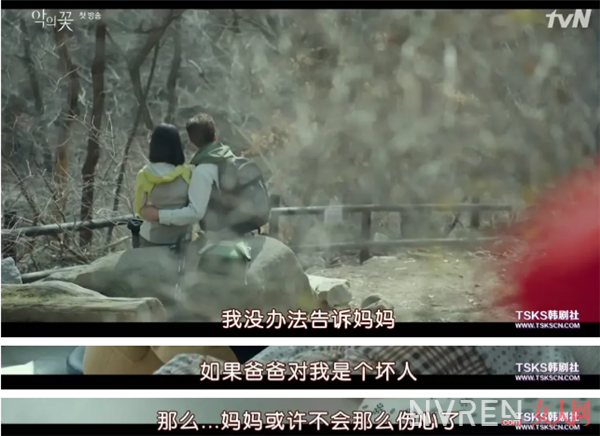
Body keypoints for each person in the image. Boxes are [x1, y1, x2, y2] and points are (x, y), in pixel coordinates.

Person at [141, 113, 270, 236]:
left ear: (191, 142)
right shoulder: (230, 158)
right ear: (215, 136)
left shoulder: (202, 171)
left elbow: (195, 213)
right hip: (247, 229)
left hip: (225, 235)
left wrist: (159, 215)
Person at [134, 123, 193, 247]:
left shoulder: (144, 174)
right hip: (183, 238)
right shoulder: (188, 172)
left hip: (153, 238)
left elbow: (139, 210)